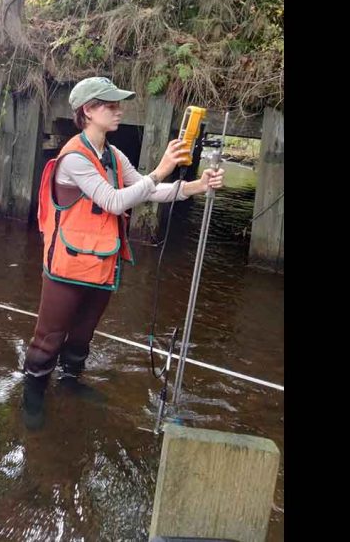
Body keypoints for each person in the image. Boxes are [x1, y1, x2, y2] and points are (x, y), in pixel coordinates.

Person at [23, 76, 224, 425]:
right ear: (88, 111)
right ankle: (32, 400)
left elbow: (148, 191)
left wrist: (196, 185)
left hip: (101, 263)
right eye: (110, 105)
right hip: (66, 267)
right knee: (48, 339)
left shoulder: (113, 155)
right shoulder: (74, 158)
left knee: (83, 336)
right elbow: (114, 202)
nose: (119, 110)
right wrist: (162, 169)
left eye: (118, 104)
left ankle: (70, 384)